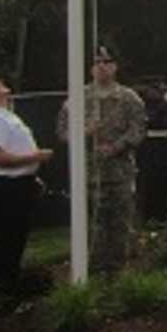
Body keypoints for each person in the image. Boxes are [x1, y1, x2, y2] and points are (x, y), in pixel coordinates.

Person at [57, 45, 146, 275]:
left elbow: (138, 130)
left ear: (115, 67)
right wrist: (84, 133)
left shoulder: (128, 98)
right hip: (87, 175)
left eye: (107, 62)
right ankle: (92, 273)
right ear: (90, 69)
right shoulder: (76, 99)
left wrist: (116, 147)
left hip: (119, 174)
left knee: (120, 225)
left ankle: (118, 273)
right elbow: (62, 132)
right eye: (97, 62)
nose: (102, 67)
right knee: (89, 227)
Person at [0, 77, 54, 303]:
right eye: (0, 88)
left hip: (17, 185)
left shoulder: (3, 116)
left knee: (14, 242)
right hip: (5, 189)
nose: (6, 90)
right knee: (6, 243)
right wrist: (36, 157)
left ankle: (8, 291)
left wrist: (30, 176)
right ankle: (1, 296)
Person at [137, 82, 167, 223]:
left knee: (164, 182)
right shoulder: (143, 107)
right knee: (149, 184)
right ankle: (148, 216)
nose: (155, 94)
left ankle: (162, 216)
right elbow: (152, 120)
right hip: (150, 148)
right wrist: (166, 103)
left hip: (165, 147)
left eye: (158, 91)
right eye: (153, 90)